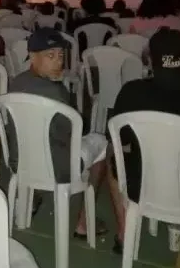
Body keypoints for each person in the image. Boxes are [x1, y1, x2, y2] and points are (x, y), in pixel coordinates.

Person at [107, 28, 180, 254]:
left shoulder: (130, 92)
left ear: (150, 59)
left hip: (139, 184)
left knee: (113, 154)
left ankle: (124, 233)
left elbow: (118, 142)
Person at [8, 27, 108, 236]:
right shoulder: (57, 92)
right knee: (101, 143)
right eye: (50, 56)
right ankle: (83, 221)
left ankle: (31, 198)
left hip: (19, 161)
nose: (58, 62)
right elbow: (71, 135)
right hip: (57, 168)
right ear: (33, 58)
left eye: (61, 56)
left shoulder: (16, 82)